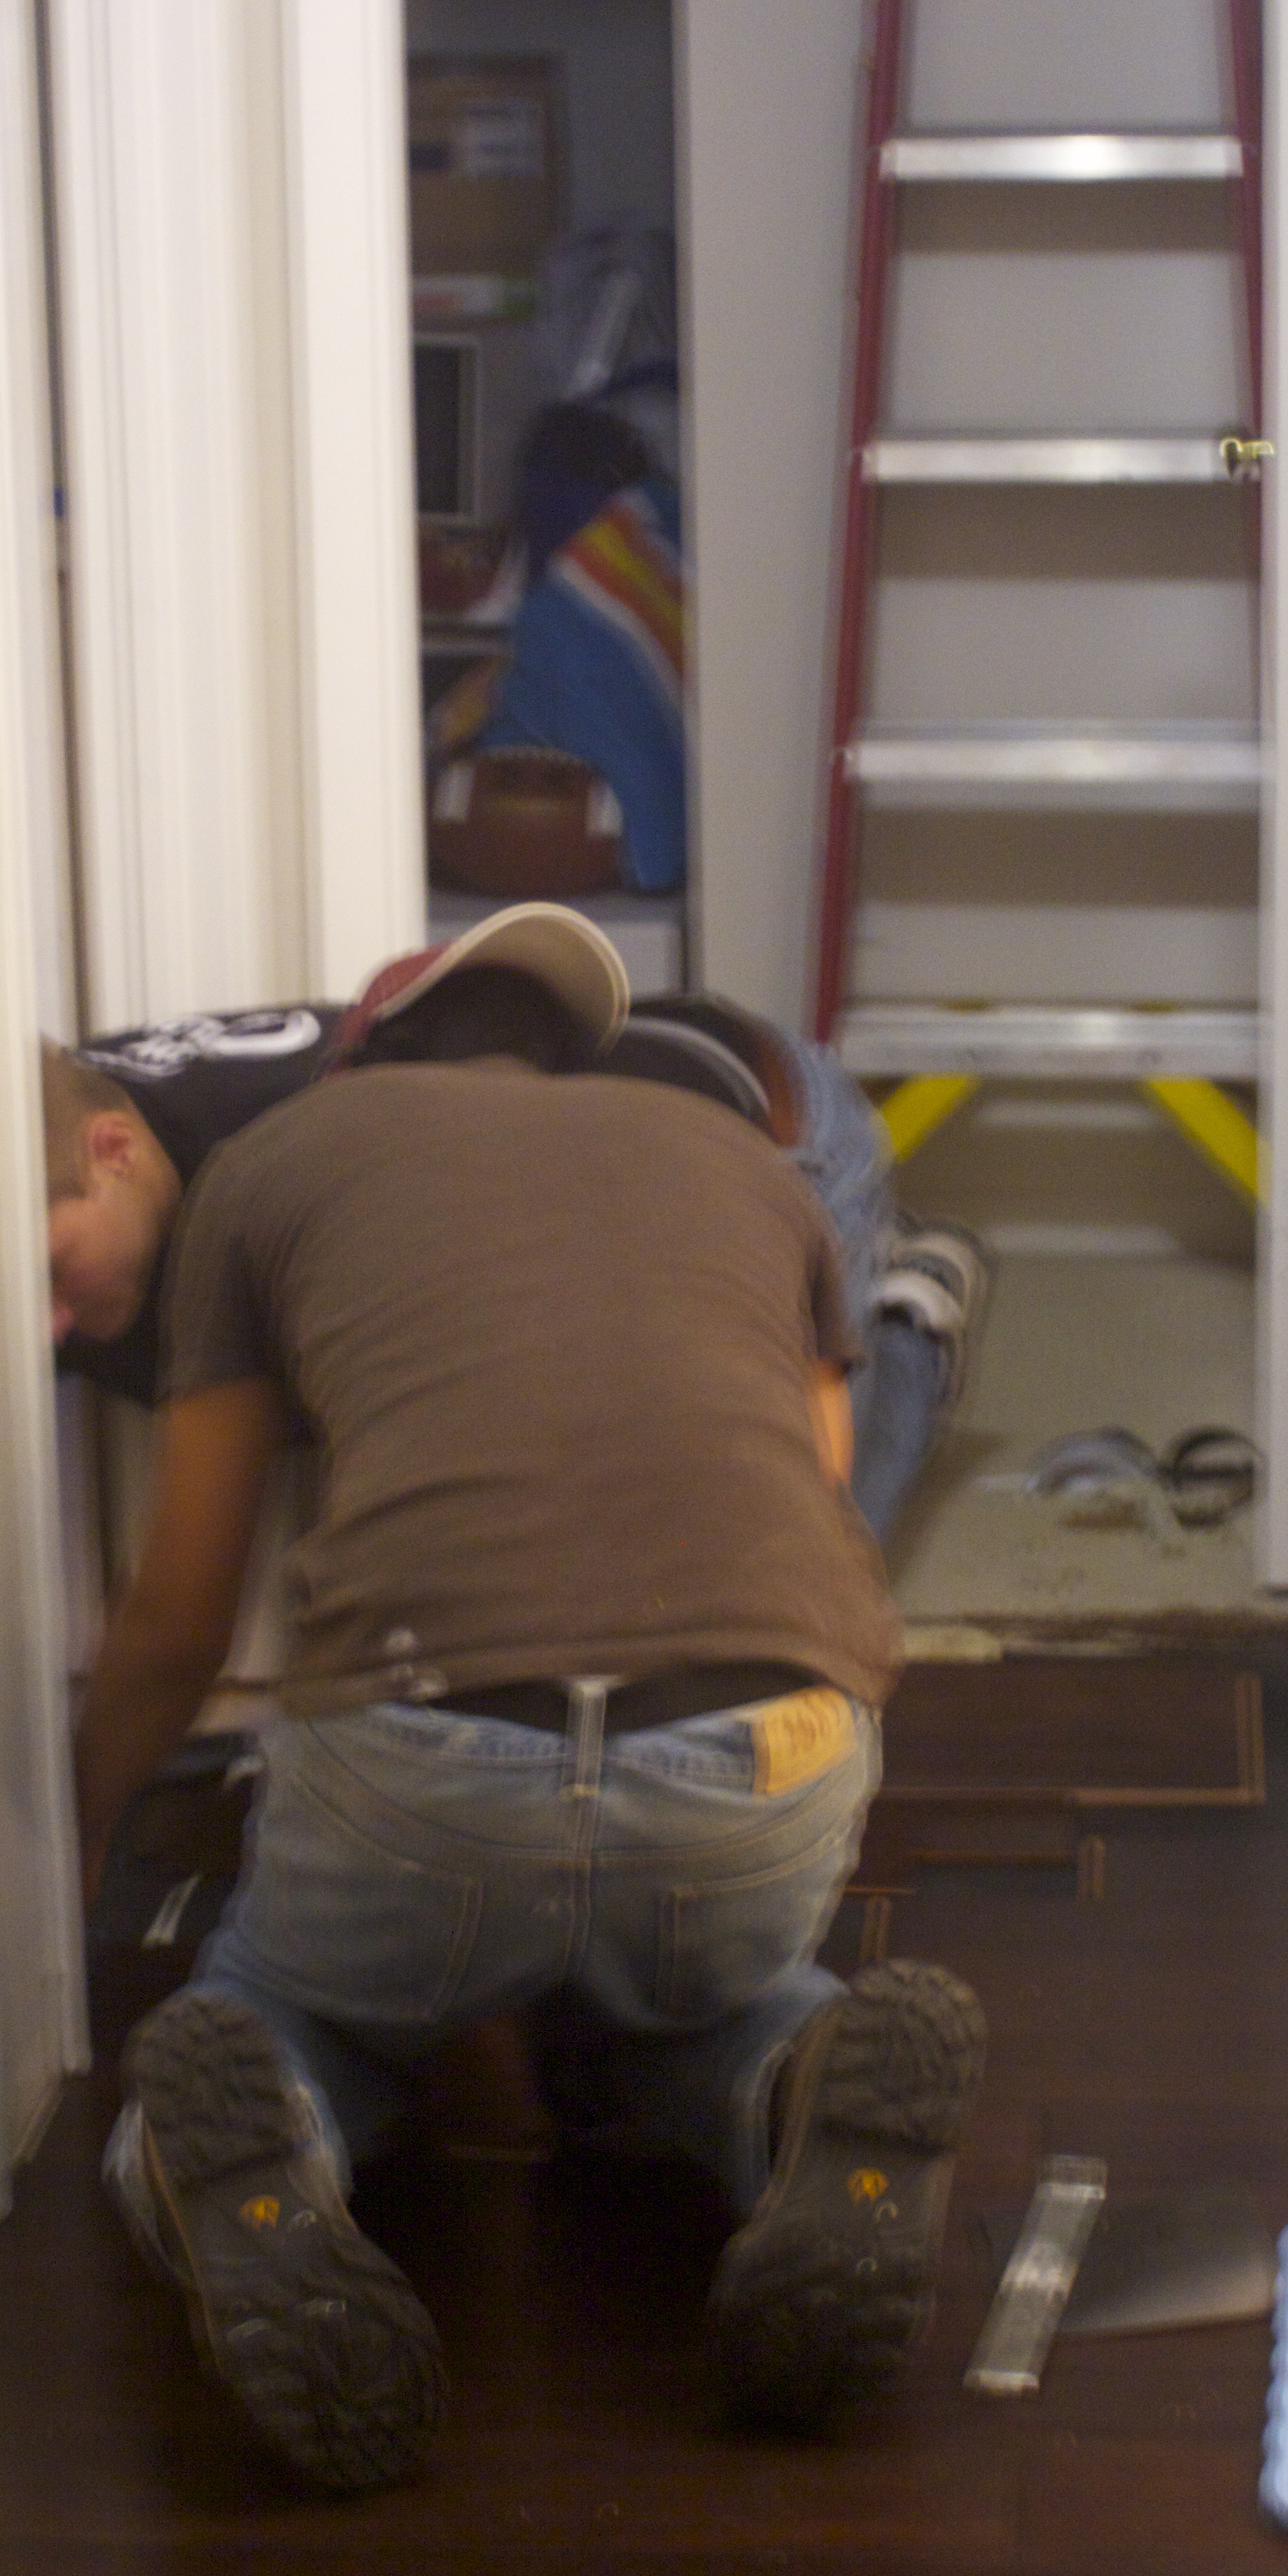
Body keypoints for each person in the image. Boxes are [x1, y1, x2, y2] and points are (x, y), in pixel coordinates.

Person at [73, 903, 988, 2494]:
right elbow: (817, 1504)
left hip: (430, 1759)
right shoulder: (731, 1169)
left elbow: (181, 1610)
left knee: (284, 2010)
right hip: (766, 1739)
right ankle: (800, 2093)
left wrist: (64, 1857)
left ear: (368, 1056)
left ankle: (263, 2139)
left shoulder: (273, 1168)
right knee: (683, 2008)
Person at [42, 933, 986, 1543]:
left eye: (51, 1272)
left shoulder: (270, 1183)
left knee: (795, 1542)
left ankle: (909, 1332)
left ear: (115, 1149)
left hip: (773, 1125)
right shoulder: (52, 1125)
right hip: (623, 1082)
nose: (43, 1327)